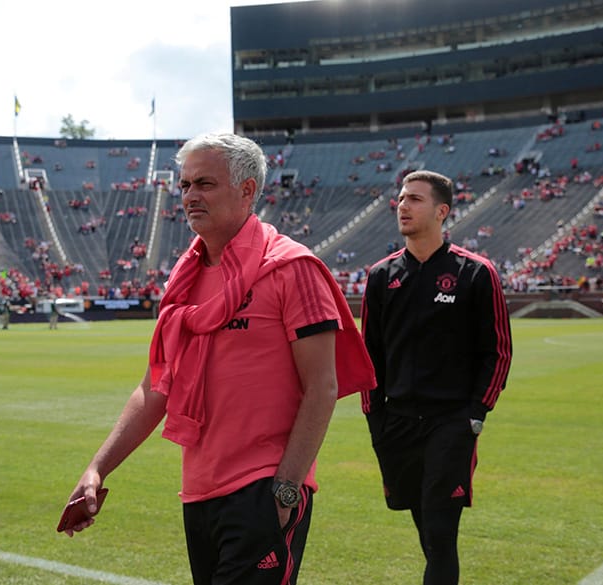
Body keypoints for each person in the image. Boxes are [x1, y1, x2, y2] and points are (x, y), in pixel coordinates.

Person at [61, 133, 375, 585]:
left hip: (264, 487)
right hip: (198, 492)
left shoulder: (292, 268)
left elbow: (322, 387)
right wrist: (96, 469)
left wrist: (286, 490)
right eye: (185, 185)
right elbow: (157, 386)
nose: (189, 196)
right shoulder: (184, 278)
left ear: (247, 190)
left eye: (204, 184)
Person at [361, 169, 513, 585]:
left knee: (442, 533)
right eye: (401, 198)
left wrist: (475, 415)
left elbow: (498, 351)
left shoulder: (476, 273)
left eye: (414, 199)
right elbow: (368, 355)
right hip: (398, 424)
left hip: (451, 423)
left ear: (441, 211)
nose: (403, 206)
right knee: (427, 531)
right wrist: (376, 420)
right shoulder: (381, 275)